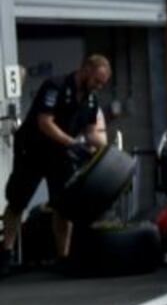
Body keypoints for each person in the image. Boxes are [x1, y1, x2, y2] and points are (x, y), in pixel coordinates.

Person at [1, 54, 111, 275]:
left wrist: (108, 153)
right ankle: (5, 253)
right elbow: (45, 123)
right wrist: (72, 143)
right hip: (32, 150)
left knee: (64, 205)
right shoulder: (55, 86)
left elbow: (91, 133)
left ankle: (63, 257)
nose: (98, 86)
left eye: (102, 84)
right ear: (86, 70)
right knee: (17, 201)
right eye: (97, 81)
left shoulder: (91, 99)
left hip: (60, 154)